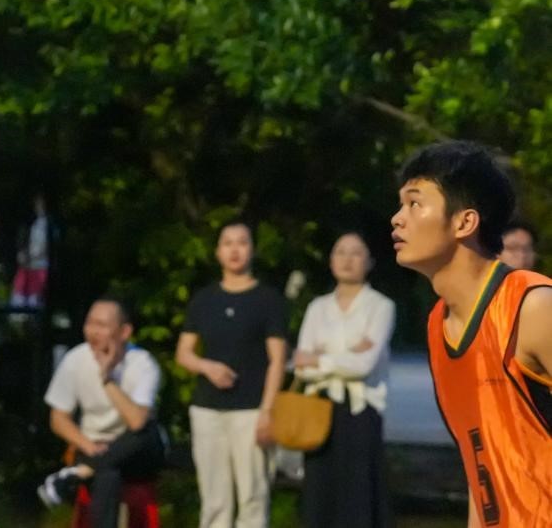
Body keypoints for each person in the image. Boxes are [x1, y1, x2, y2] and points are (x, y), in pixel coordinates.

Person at [392, 141, 552, 527]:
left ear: (465, 222)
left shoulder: (533, 307)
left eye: (414, 204)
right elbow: (480, 465)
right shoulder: (438, 326)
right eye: (400, 205)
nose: (397, 218)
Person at [175, 221, 288, 528]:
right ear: (217, 252)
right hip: (207, 409)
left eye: (242, 242)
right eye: (228, 243)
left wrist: (267, 411)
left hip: (251, 410)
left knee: (253, 495)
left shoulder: (268, 299)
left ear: (252, 250)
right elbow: (184, 353)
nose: (235, 250)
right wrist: (206, 367)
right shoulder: (204, 300)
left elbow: (277, 360)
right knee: (214, 498)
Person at [293, 233, 395, 528]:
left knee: (359, 493)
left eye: (356, 253)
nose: (347, 259)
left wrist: (320, 357)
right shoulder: (317, 307)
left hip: (361, 408)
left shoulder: (381, 306)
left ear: (370, 262)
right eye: (341, 252)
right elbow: (301, 367)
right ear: (331, 260)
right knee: (320, 493)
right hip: (319, 408)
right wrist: (347, 353)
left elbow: (364, 365)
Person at [36, 296, 166, 527]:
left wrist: (106, 379)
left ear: (124, 332)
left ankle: (80, 472)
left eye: (102, 325)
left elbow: (137, 422)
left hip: (136, 449)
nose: (93, 331)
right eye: (90, 323)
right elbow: (58, 419)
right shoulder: (75, 359)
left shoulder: (142, 364)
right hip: (93, 444)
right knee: (108, 472)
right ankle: (89, 469)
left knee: (146, 432)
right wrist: (89, 447)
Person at [11, 194, 57, 309]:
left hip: (41, 265)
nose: (40, 207)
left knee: (35, 298)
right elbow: (22, 239)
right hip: (27, 264)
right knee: (19, 295)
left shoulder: (50, 224)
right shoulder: (29, 222)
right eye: (38, 204)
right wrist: (22, 253)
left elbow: (52, 245)